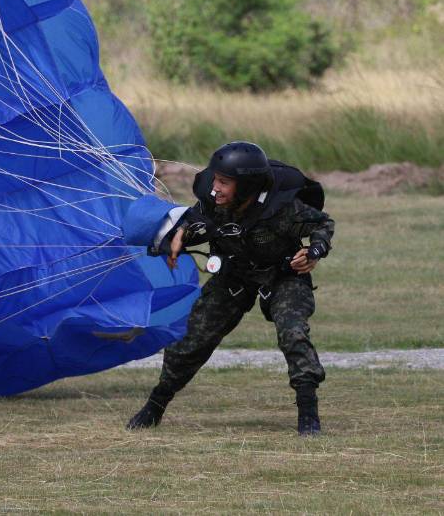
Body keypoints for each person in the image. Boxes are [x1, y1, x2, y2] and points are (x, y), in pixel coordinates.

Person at [127, 141, 334, 435]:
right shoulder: (214, 204)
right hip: (234, 278)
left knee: (293, 333)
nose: (216, 187)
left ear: (247, 186)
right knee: (193, 339)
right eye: (215, 179)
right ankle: (155, 405)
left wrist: (314, 251)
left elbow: (323, 225)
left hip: (283, 276)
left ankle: (308, 414)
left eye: (224, 182)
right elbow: (194, 221)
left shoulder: (283, 209)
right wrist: (178, 236)